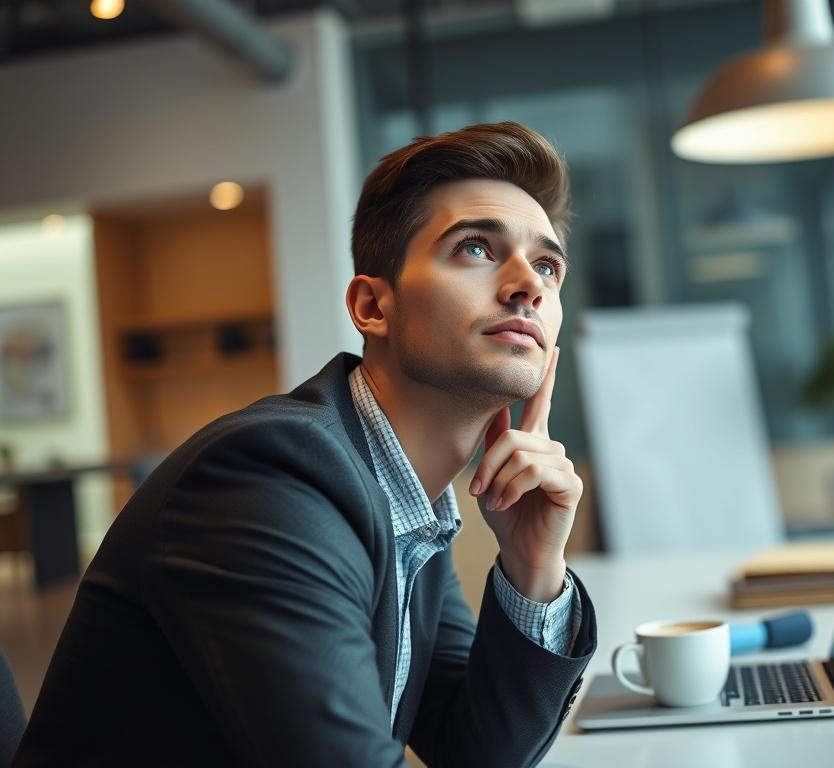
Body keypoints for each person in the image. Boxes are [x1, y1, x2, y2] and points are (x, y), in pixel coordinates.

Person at [14, 122, 596, 767]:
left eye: (547, 264)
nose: (529, 285)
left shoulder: (409, 503)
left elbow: (477, 753)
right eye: (476, 250)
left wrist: (533, 567)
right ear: (373, 306)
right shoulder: (272, 476)